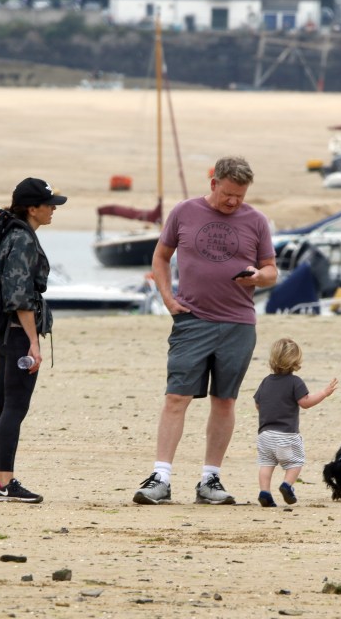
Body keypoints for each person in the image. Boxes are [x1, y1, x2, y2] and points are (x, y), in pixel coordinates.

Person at [133, 156, 278, 505]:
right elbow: (161, 257)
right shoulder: (184, 212)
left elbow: (272, 269)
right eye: (228, 194)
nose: (233, 201)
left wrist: (259, 277)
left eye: (240, 196)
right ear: (214, 183)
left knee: (225, 400)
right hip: (192, 320)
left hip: (239, 324)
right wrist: (168, 298)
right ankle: (160, 478)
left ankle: (210, 480)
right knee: (176, 397)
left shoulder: (256, 221)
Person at [0, 177, 66, 504]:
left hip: (3, 330)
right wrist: (34, 343)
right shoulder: (22, 240)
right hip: (16, 332)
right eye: (49, 204)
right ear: (33, 208)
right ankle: (5, 482)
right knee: (14, 406)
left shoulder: (9, 233)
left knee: (1, 403)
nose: (54, 209)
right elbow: (19, 297)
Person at [253, 338, 338, 507]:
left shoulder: (266, 381)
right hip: (286, 434)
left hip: (265, 435)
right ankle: (287, 485)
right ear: (296, 360)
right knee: (295, 462)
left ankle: (265, 492)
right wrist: (324, 393)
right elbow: (305, 402)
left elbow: (258, 404)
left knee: (266, 464)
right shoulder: (295, 382)